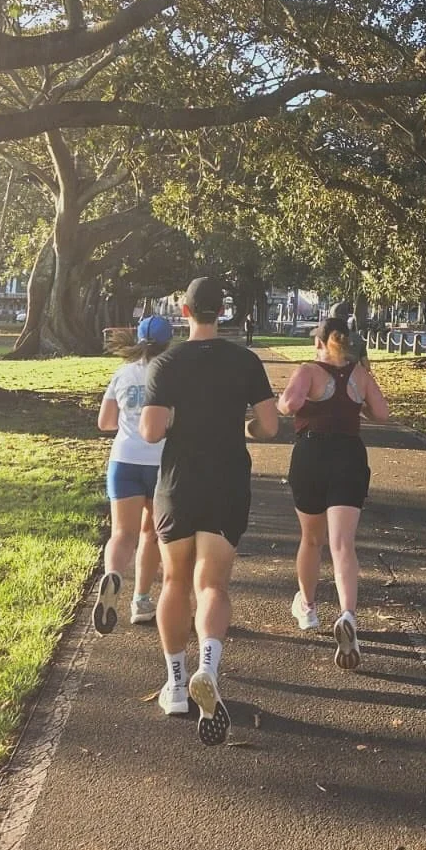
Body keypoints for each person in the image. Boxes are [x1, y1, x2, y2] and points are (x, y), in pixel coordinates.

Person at [139, 276, 279, 746]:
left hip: (178, 485)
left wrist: (178, 417)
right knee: (212, 585)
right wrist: (246, 425)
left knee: (175, 582)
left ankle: (177, 685)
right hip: (227, 483)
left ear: (184, 310)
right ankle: (208, 668)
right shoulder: (245, 361)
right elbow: (270, 427)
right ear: (223, 312)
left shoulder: (166, 362)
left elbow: (152, 431)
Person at [278, 314, 389, 670]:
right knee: (343, 543)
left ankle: (308, 608)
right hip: (349, 457)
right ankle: (348, 615)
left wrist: (283, 403)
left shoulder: (308, 371)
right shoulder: (360, 374)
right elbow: (382, 414)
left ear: (321, 342)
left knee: (311, 540)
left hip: (311, 455)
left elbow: (290, 404)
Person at [92, 314, 173, 635]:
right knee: (150, 534)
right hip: (160, 462)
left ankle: (112, 574)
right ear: (169, 342)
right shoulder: (170, 375)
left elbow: (105, 422)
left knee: (121, 534)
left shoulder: (122, 373)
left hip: (123, 460)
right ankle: (141, 600)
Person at [328, 300, 368, 367]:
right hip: (353, 375)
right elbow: (366, 366)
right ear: (347, 318)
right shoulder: (358, 338)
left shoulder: (326, 338)